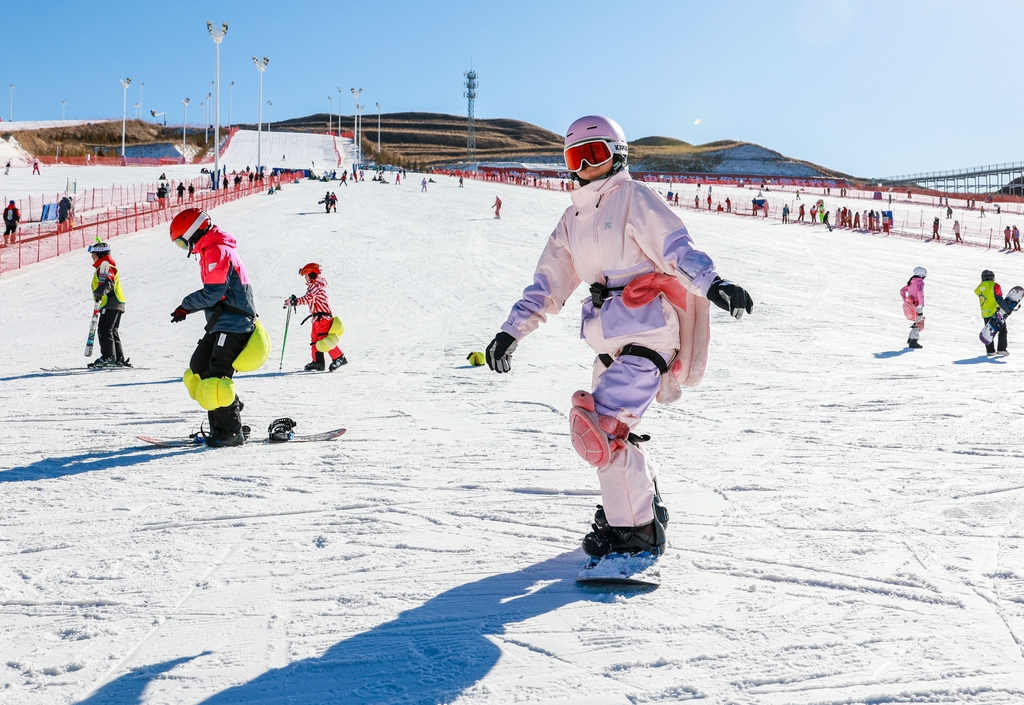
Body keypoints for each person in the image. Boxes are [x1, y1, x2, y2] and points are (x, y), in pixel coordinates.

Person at [484, 115, 753, 559]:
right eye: (577, 156)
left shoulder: (632, 197)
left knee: (601, 433)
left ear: (618, 155)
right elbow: (548, 285)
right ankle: (633, 509)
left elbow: (676, 247)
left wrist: (713, 283)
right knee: (609, 435)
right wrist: (511, 332)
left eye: (596, 154)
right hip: (607, 339)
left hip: (649, 330)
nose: (586, 165)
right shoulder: (571, 219)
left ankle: (637, 531)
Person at [169, 208, 258, 447]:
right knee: (199, 367)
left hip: (234, 324)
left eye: (181, 242)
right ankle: (229, 412)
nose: (184, 247)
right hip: (222, 323)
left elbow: (214, 292)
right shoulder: (211, 248)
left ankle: (230, 432)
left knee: (217, 376)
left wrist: (185, 306)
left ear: (192, 233)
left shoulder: (217, 250)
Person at [286, 263, 347, 372]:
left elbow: (308, 297)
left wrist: (295, 301)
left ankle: (339, 357)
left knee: (323, 339)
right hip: (317, 318)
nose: (305, 277)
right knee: (315, 340)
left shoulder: (317, 285)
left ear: (311, 274)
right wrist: (295, 301)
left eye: (306, 275)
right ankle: (318, 362)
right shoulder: (313, 285)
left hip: (323, 317)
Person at [87, 241, 128, 367]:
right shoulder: (106, 266)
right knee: (111, 330)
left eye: (93, 253)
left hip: (111, 303)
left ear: (100, 254)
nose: (92, 256)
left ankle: (108, 357)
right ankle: (118, 358)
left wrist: (99, 293)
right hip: (117, 302)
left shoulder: (106, 266)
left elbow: (109, 283)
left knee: (104, 330)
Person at [976, 269, 1008, 356]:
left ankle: (990, 351)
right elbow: (999, 298)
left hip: (985, 313)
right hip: (996, 311)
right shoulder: (995, 285)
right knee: (1002, 331)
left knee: (988, 331)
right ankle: (1001, 349)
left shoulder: (980, 287)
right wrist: (1006, 309)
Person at [900, 267, 926, 349]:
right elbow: (919, 292)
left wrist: (906, 302)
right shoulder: (920, 282)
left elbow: (902, 291)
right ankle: (913, 341)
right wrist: (921, 303)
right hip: (917, 305)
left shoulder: (911, 282)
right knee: (919, 322)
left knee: (917, 320)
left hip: (911, 304)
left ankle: (911, 338)